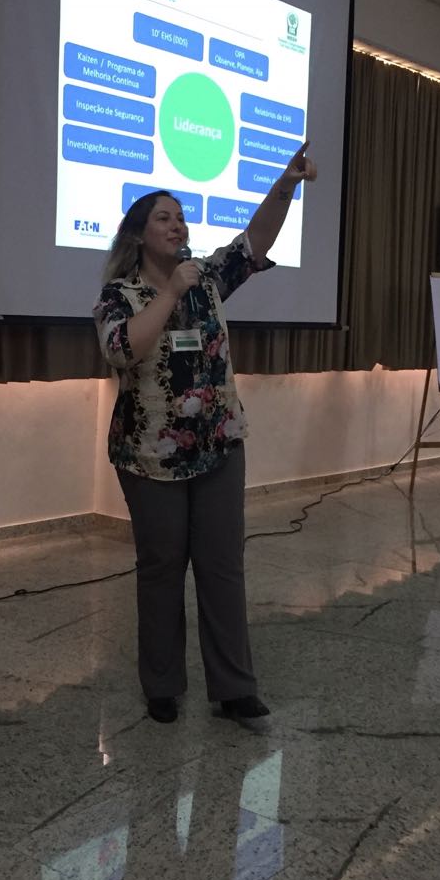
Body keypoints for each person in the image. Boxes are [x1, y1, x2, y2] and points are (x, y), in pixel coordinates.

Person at [93, 141, 318, 724]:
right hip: (149, 456)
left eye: (181, 217)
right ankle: (162, 685)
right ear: (139, 234)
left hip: (219, 445)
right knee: (162, 568)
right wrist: (169, 292)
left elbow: (254, 243)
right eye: (164, 218)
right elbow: (121, 350)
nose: (178, 225)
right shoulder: (121, 295)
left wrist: (285, 186)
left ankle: (234, 688)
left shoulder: (208, 278)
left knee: (221, 567)